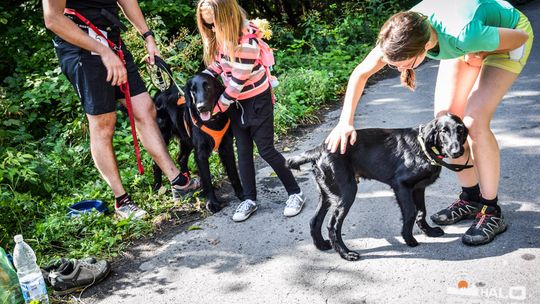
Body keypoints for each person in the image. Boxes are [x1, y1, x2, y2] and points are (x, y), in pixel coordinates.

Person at [325, 0, 533, 245]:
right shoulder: (401, 33)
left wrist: (481, 52)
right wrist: (344, 122)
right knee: (446, 121)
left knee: (474, 121)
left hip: (506, 36)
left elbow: (518, 37)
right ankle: (471, 197)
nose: (395, 68)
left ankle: (491, 211)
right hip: (472, 41)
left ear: (423, 47)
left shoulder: (465, 35)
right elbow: (361, 73)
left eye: (401, 65)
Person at [42, 0, 200, 220]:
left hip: (111, 40)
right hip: (81, 48)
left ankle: (179, 183)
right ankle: (122, 201)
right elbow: (52, 18)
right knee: (104, 124)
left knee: (145, 109)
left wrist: (148, 37)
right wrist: (103, 52)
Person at [196, 0, 305, 222]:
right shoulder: (223, 39)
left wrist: (216, 109)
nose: (212, 29)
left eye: (214, 23)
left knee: (265, 149)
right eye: (208, 26)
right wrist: (201, 80)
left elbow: (235, 84)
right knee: (243, 151)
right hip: (237, 104)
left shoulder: (247, 44)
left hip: (256, 101)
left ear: (227, 18)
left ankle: (296, 193)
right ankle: (249, 199)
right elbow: (219, 65)